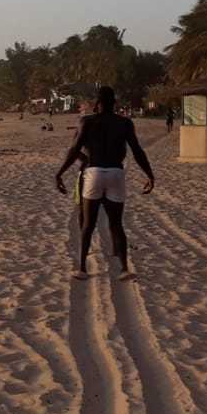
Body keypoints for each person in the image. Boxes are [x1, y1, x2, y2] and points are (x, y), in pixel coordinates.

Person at [54, 86, 156, 280]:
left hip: (94, 172)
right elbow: (137, 150)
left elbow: (74, 150)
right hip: (116, 173)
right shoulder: (124, 123)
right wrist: (150, 175)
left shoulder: (87, 121)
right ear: (114, 103)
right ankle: (124, 268)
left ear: (97, 102)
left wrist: (59, 174)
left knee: (88, 224)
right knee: (116, 224)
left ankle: (82, 269)